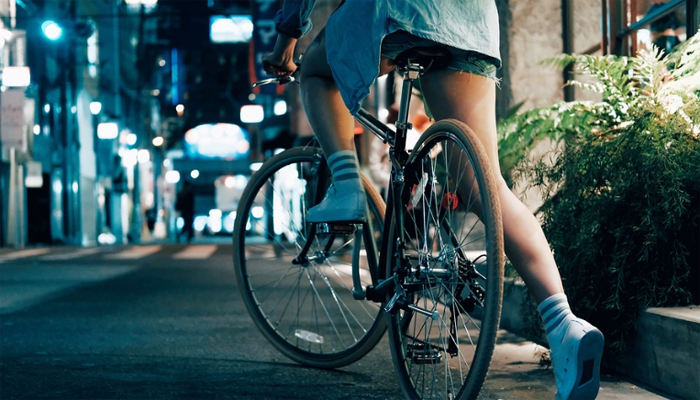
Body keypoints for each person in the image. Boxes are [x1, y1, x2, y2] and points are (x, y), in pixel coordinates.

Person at [262, 2, 604, 399]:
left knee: (316, 73)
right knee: (484, 187)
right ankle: (564, 325)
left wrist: (285, 44)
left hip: (401, 11)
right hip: (471, 19)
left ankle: (345, 182)